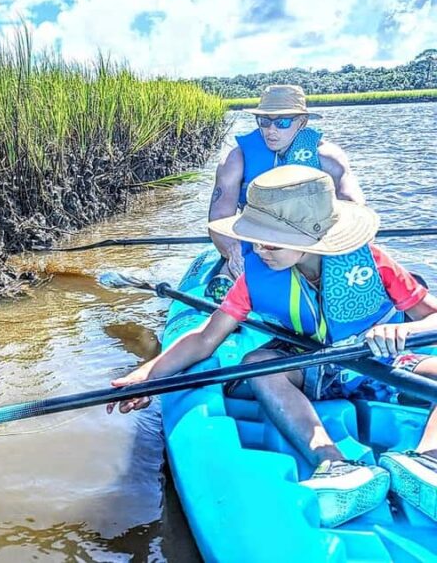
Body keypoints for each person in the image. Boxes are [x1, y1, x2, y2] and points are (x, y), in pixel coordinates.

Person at [110, 165, 437, 528]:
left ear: (311, 238)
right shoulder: (256, 276)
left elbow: (432, 317)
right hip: (307, 366)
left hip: (376, 361)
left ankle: (426, 458)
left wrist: (400, 331)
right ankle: (334, 463)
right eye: (255, 239)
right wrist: (146, 375)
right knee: (259, 363)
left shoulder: (373, 262)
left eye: (271, 242)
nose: (260, 250)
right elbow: (206, 338)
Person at [208, 85, 364, 286]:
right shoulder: (235, 159)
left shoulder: (328, 157)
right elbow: (219, 217)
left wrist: (330, 248)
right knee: (227, 277)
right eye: (264, 121)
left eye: (282, 122)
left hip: (312, 243)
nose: (271, 130)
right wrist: (232, 251)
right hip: (256, 243)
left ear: (302, 122)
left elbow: (353, 204)